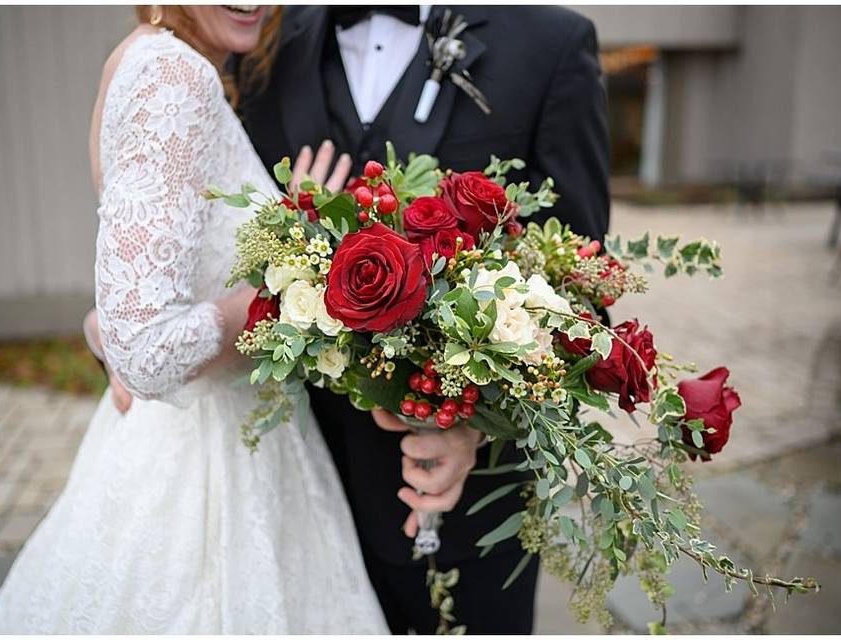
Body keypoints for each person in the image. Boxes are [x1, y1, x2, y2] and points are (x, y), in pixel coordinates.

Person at [0, 6, 387, 633]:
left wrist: (286, 231)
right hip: (206, 475)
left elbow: (130, 305)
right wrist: (292, 277)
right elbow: (146, 343)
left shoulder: (148, 61)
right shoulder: (174, 76)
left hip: (230, 446)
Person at [238, 5, 611, 634]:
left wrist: (478, 423)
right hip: (288, 510)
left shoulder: (550, 45)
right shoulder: (258, 41)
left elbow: (583, 288)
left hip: (466, 518)